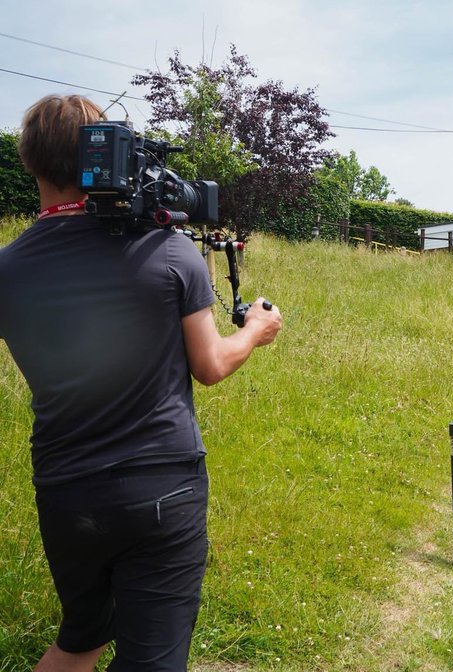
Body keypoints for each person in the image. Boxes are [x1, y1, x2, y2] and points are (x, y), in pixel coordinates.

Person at [0, 94, 283, 672]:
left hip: (65, 489)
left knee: (80, 640)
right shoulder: (170, 251)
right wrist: (255, 329)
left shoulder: (7, 268)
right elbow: (210, 365)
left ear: (29, 162)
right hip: (162, 489)